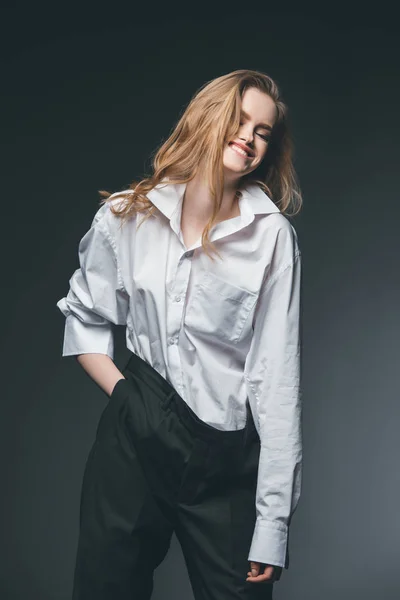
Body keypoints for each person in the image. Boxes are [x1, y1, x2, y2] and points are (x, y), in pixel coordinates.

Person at [56, 68, 303, 600]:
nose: (250, 136)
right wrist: (126, 396)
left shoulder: (273, 237)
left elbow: (275, 381)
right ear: (206, 120)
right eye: (239, 120)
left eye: (263, 130)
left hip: (222, 457)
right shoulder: (127, 216)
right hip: (136, 434)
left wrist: (273, 524)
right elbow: (85, 317)